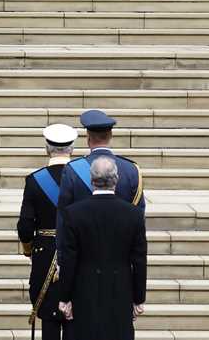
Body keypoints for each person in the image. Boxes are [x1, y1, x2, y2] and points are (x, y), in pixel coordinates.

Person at [57, 156, 148, 340]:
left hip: (85, 295)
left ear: (91, 180)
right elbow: (139, 260)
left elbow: (69, 260)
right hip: (120, 294)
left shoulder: (74, 213)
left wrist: (65, 297)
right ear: (116, 179)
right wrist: (138, 298)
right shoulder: (133, 215)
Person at [17, 123, 79, 340]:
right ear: (72, 148)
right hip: (76, 252)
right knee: (74, 318)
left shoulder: (35, 180)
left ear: (47, 148)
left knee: (49, 322)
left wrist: (28, 248)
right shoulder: (83, 179)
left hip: (44, 252)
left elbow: (25, 225)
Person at [56, 110, 144, 259]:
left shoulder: (72, 170)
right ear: (110, 136)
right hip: (119, 254)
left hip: (83, 254)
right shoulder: (131, 170)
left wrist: (62, 255)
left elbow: (63, 217)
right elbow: (139, 216)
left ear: (87, 137)